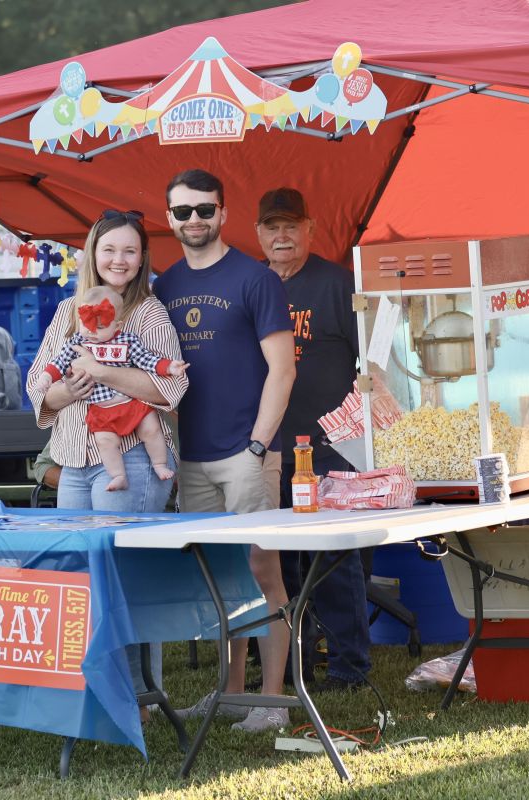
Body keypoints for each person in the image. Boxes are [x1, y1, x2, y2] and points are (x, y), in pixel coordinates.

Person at [26, 209, 188, 721]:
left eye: (130, 251)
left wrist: (102, 371)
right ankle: (95, 692)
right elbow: (37, 387)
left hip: (134, 458)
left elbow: (171, 389)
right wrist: (60, 390)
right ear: (92, 254)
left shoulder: (148, 315)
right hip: (74, 460)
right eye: (109, 249)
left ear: (142, 260)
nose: (119, 260)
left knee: (123, 577)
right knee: (82, 577)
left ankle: (139, 699)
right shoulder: (69, 312)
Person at [152, 169, 297, 733]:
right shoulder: (164, 287)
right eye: (183, 212)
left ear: (223, 214)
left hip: (247, 452)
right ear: (169, 218)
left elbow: (282, 372)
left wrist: (259, 445)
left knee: (265, 574)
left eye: (205, 210)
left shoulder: (256, 280)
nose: (195, 220)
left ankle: (273, 701)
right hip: (192, 458)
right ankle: (230, 695)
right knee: (219, 582)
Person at [256, 187, 371, 692]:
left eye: (291, 226)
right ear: (258, 234)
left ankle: (348, 665)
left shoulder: (336, 285)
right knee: (277, 562)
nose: (282, 236)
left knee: (334, 560)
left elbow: (372, 362)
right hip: (267, 448)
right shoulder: (253, 286)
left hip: (330, 449)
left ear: (310, 229)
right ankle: (292, 662)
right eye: (272, 227)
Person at [31, 285, 188, 491]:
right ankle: (118, 475)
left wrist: (168, 366)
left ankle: (159, 464)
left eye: (101, 327)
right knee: (105, 441)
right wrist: (46, 377)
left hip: (130, 403)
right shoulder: (77, 343)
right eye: (87, 325)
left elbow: (148, 360)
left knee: (151, 430)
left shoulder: (126, 341)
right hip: (101, 408)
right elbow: (57, 364)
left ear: (117, 326)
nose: (93, 333)